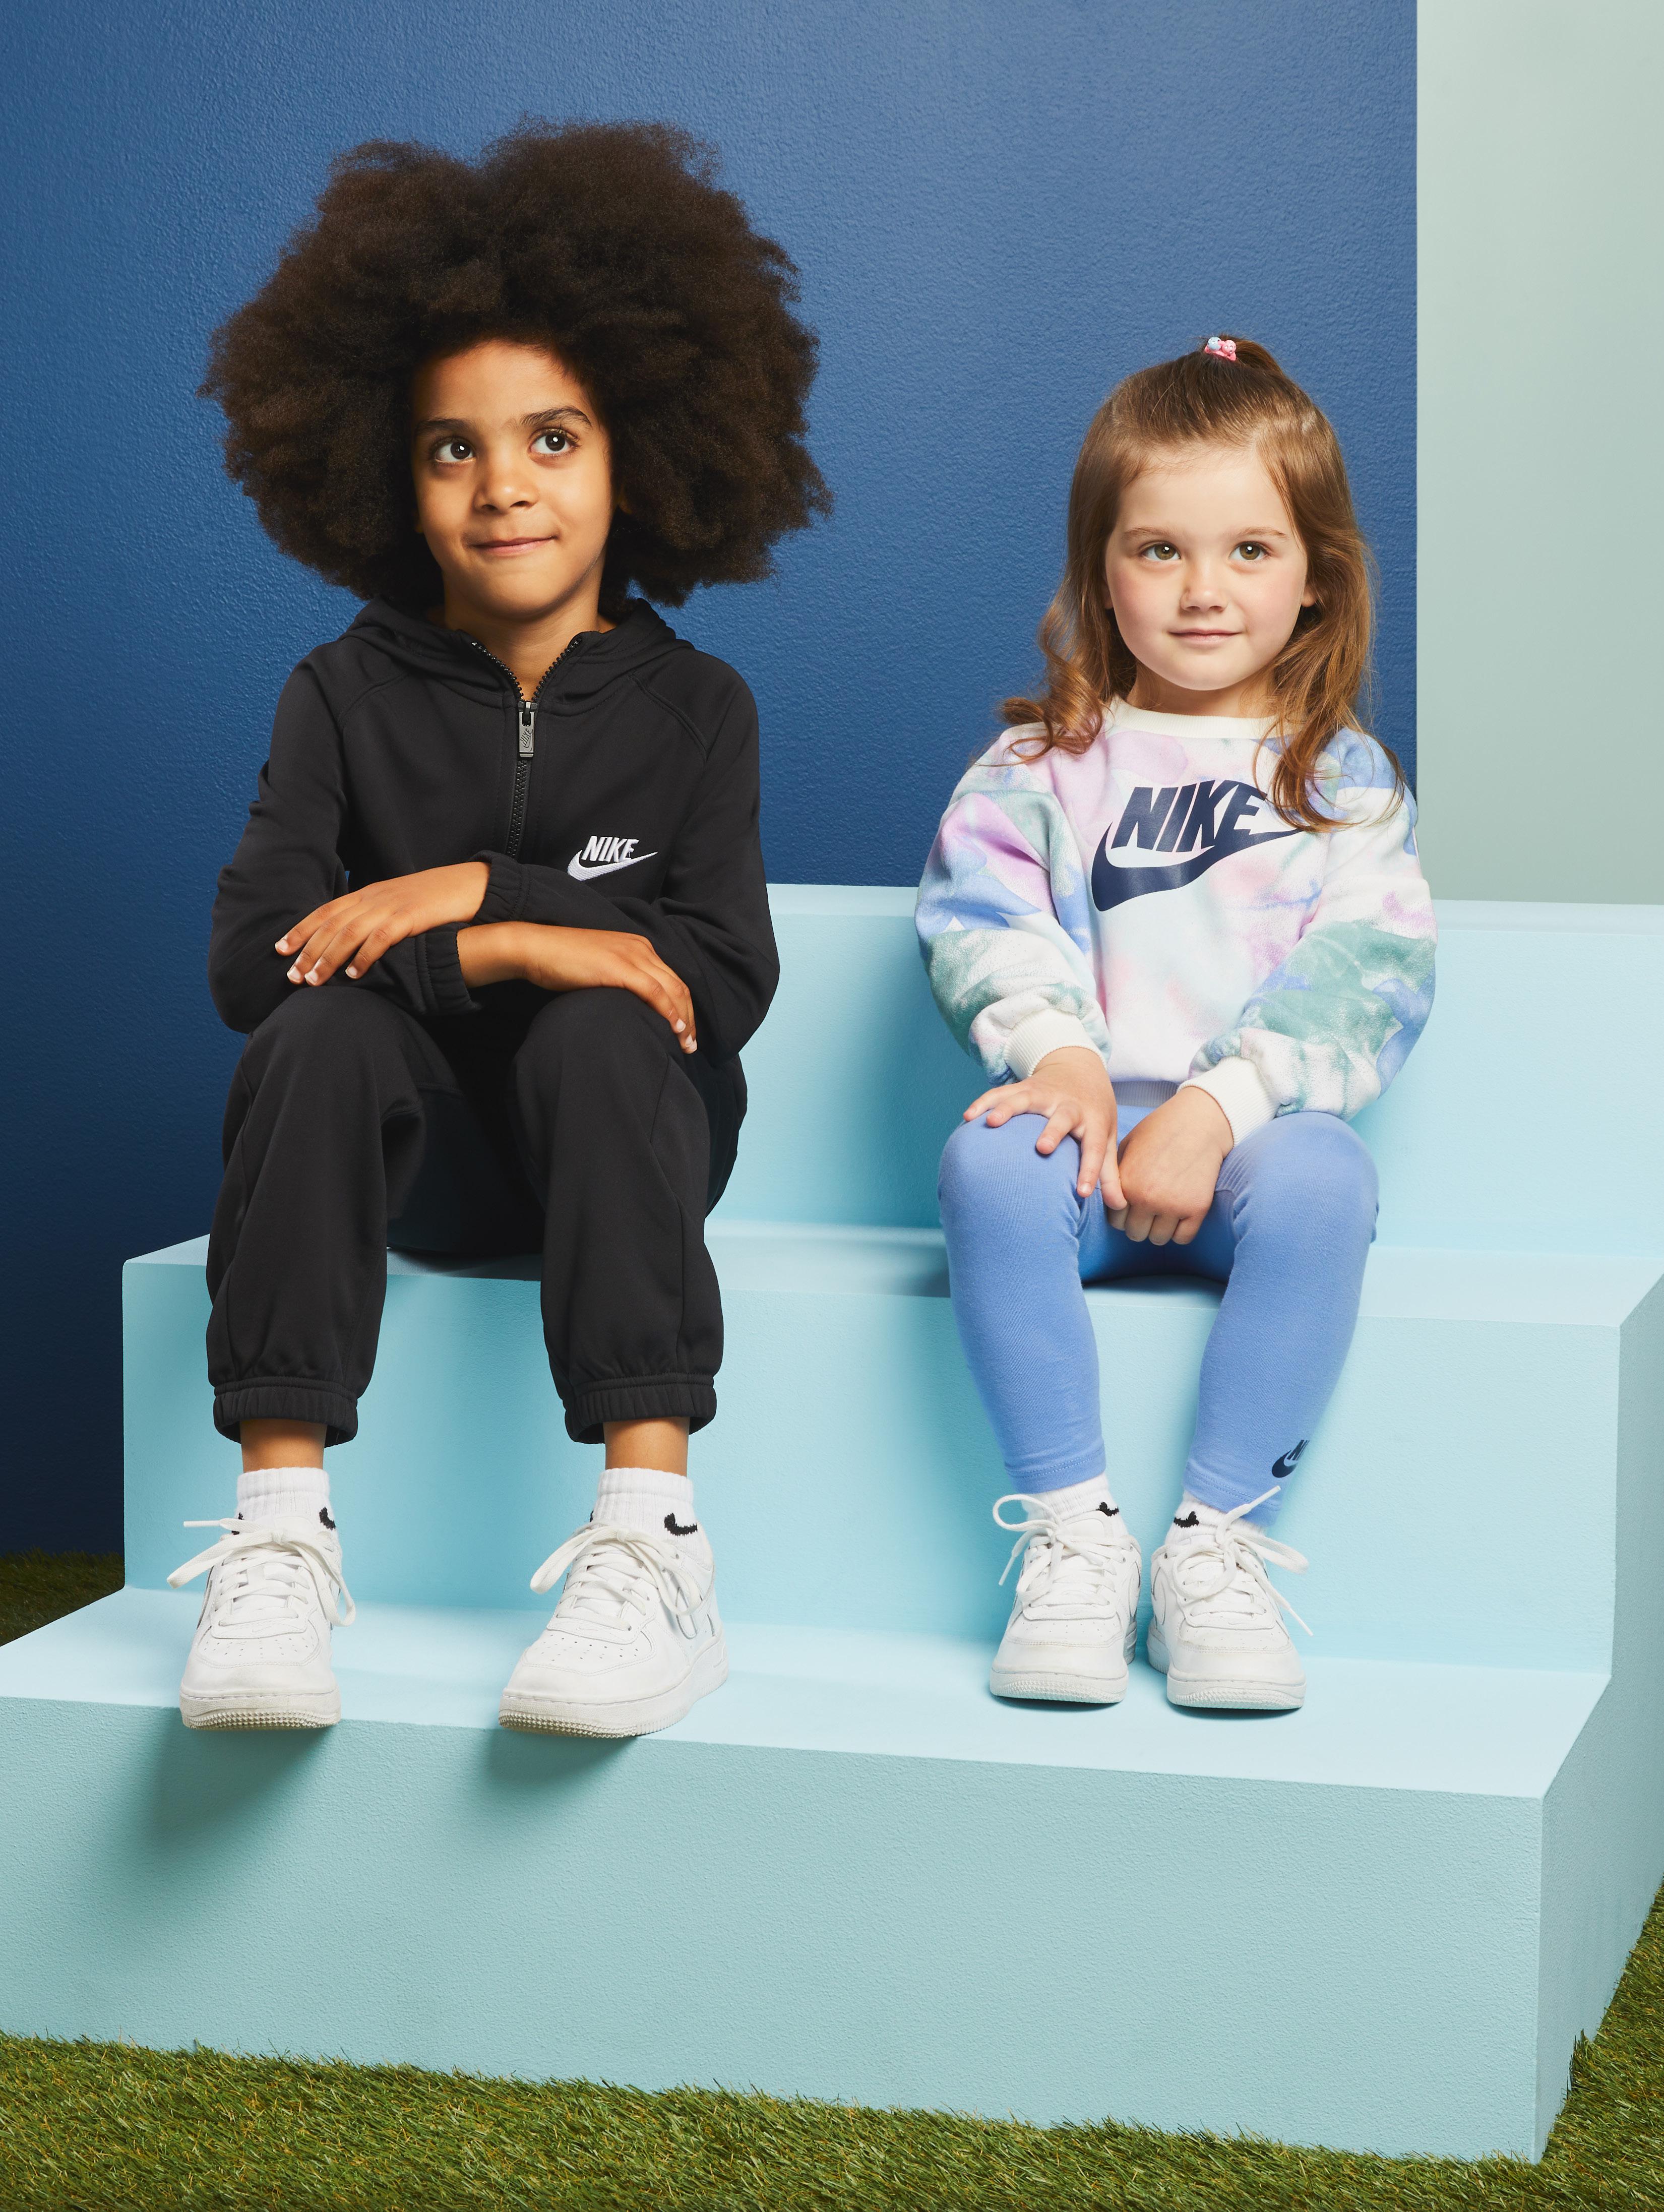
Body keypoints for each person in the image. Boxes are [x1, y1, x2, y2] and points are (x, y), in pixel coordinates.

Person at [166, 122, 827, 1737]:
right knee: (320, 1031)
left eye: (552, 437)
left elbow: (716, 982)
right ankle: (277, 1538)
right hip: (415, 1164)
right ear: (391, 481)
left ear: (637, 459)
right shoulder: (340, 693)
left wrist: (484, 888)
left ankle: (654, 1541)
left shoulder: (699, 708)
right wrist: (515, 942)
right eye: (450, 449)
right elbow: (255, 963)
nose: (503, 484)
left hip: (623, 1146)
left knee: (608, 1023)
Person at [917, 335, 1434, 1712]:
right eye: (1159, 550)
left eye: (1250, 550)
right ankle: (1074, 1539)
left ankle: (1216, 1545)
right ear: (1101, 570)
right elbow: (979, 918)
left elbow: (1373, 967)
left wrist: (1218, 1106)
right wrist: (1063, 1063)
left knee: (1328, 1178)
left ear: (1316, 572)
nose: (1204, 590)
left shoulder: (1344, 781)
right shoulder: (1039, 767)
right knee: (984, 1162)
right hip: (1086, 1145)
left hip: (1248, 1146)